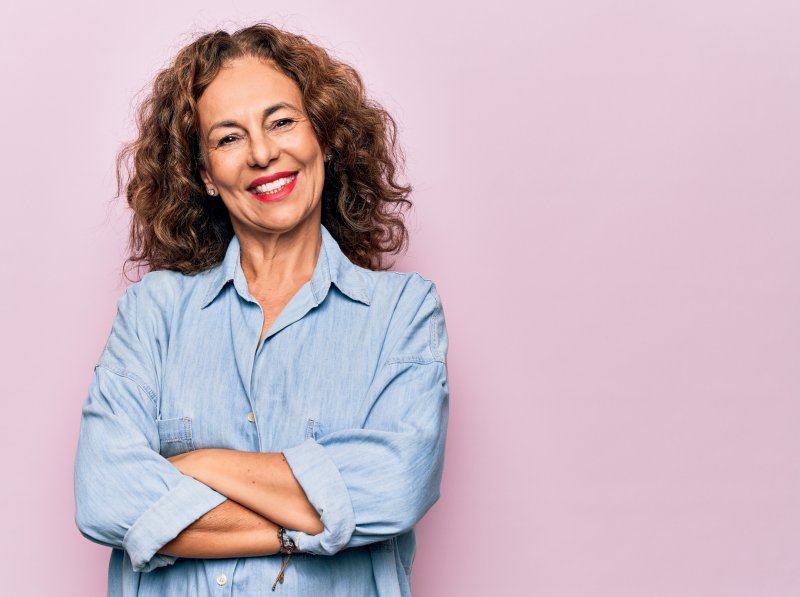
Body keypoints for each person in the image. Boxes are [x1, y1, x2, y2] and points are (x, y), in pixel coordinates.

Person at [73, 23, 449, 597]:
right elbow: (104, 496)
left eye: (281, 121)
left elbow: (395, 487)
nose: (262, 153)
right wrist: (310, 523)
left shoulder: (402, 313)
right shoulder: (154, 313)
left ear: (322, 137)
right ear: (204, 176)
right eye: (228, 138)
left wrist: (198, 463)